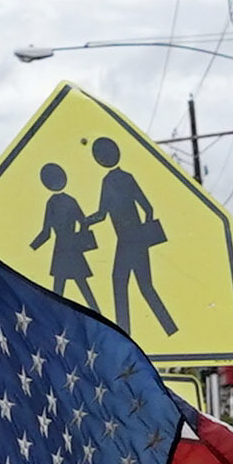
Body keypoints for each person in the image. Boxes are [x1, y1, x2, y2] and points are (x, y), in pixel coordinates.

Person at [87, 135, 176, 339]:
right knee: (144, 285)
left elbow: (102, 214)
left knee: (120, 281)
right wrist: (144, 233)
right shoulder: (123, 178)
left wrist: (85, 222)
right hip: (134, 239)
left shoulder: (110, 181)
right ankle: (168, 327)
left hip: (127, 240)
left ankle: (125, 333)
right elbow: (148, 208)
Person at [31, 161, 97, 302]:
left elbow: (46, 232)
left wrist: (31, 248)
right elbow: (83, 222)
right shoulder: (70, 200)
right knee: (80, 287)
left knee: (59, 291)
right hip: (72, 248)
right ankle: (97, 314)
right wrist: (80, 237)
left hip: (61, 249)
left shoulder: (52, 203)